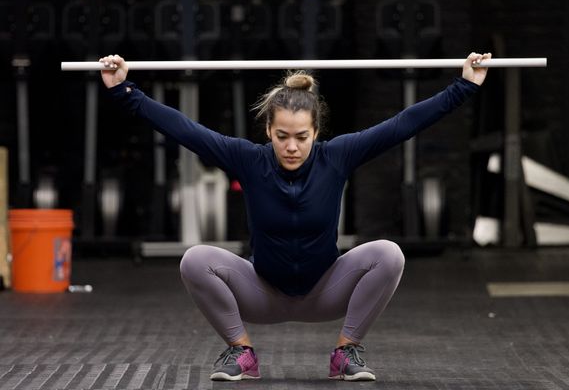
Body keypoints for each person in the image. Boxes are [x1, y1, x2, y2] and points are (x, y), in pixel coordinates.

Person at [99, 52, 490, 381]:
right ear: (268, 130)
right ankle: (241, 352)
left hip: (326, 291)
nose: (291, 146)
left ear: (316, 132)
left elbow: (402, 125)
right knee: (195, 260)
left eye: (301, 137)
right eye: (282, 135)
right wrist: (123, 91)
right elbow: (185, 130)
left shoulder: (338, 156)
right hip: (262, 293)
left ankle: (346, 353)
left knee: (389, 254)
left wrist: (465, 85)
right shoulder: (247, 159)